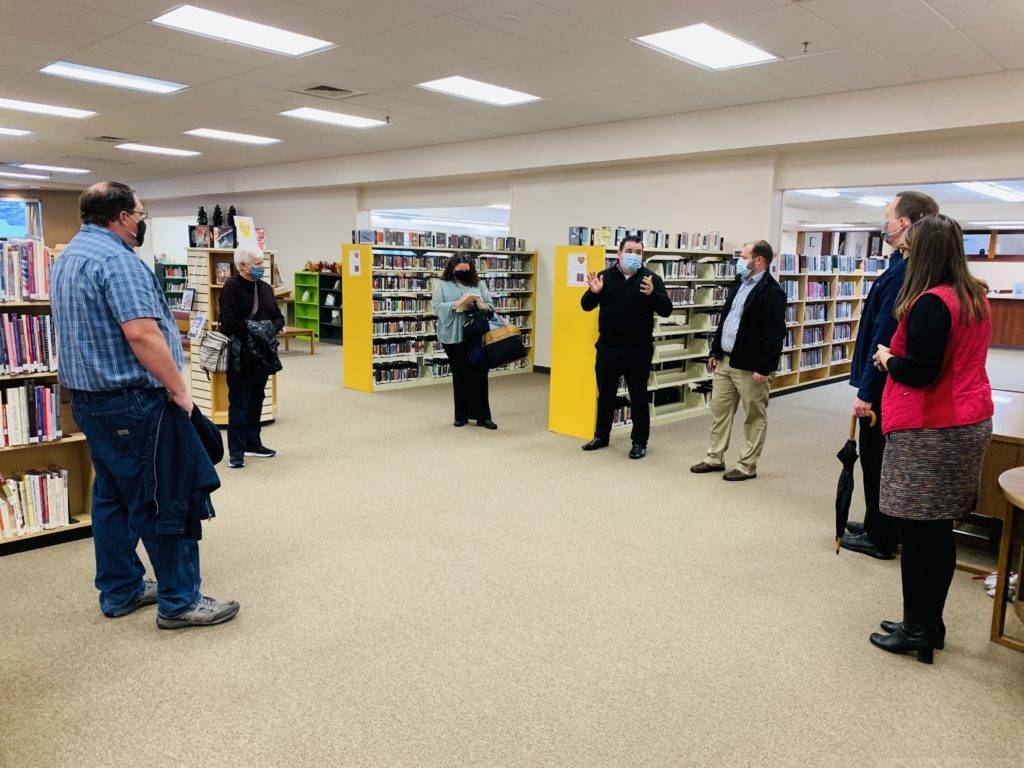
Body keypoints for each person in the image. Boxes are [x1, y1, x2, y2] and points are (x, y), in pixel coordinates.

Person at [50, 181, 239, 629]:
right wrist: (180, 390)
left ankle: (120, 589)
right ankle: (179, 601)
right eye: (139, 213)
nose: (142, 220)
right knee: (163, 495)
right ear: (121, 217)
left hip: (91, 402)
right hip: (134, 402)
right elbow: (142, 334)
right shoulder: (119, 260)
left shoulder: (69, 256)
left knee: (113, 496)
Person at [868, 214, 993, 664]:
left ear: (926, 252)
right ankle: (928, 622)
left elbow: (920, 370)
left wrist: (886, 358)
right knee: (937, 530)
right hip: (964, 422)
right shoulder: (972, 295)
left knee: (916, 529)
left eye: (909, 246)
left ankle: (917, 629)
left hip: (930, 429)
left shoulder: (930, 303)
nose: (903, 251)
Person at [841, 191, 939, 559]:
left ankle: (880, 536)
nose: (885, 223)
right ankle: (873, 521)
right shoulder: (901, 262)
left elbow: (886, 334)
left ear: (906, 223)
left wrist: (866, 391)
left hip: (884, 383)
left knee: (876, 459)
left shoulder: (908, 270)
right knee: (874, 458)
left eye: (889, 216)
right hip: (882, 377)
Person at [690, 240, 785, 480]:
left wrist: (765, 367)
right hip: (725, 361)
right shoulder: (738, 285)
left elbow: (774, 334)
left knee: (754, 416)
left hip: (751, 366)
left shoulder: (772, 293)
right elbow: (726, 321)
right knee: (719, 411)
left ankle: (746, 465)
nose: (739, 261)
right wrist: (714, 351)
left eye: (744, 257)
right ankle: (714, 458)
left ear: (758, 260)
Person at [580, 235, 672, 459]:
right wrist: (594, 292)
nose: (634, 255)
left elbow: (666, 310)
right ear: (619, 254)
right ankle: (601, 435)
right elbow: (585, 305)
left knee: (638, 396)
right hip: (608, 348)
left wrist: (653, 294)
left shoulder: (651, 278)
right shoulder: (605, 276)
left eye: (639, 252)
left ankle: (639, 441)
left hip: (638, 350)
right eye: (629, 250)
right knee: (606, 395)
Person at [219, 245, 284, 468]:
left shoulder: (265, 288)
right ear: (243, 266)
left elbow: (279, 318)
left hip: (262, 355)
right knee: (239, 403)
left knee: (257, 399)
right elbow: (231, 322)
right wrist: (264, 329)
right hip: (240, 355)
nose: (261, 267)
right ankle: (236, 451)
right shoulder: (231, 287)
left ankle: (253, 443)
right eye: (257, 264)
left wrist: (263, 329)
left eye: (262, 263)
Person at [431, 253, 497, 429]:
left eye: (466, 270)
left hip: (476, 334)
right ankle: (461, 415)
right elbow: (436, 307)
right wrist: (456, 304)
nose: (464, 273)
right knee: (460, 374)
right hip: (452, 335)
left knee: (480, 373)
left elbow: (491, 307)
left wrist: (483, 306)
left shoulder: (478, 284)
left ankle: (483, 416)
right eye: (460, 271)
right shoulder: (442, 285)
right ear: (452, 269)